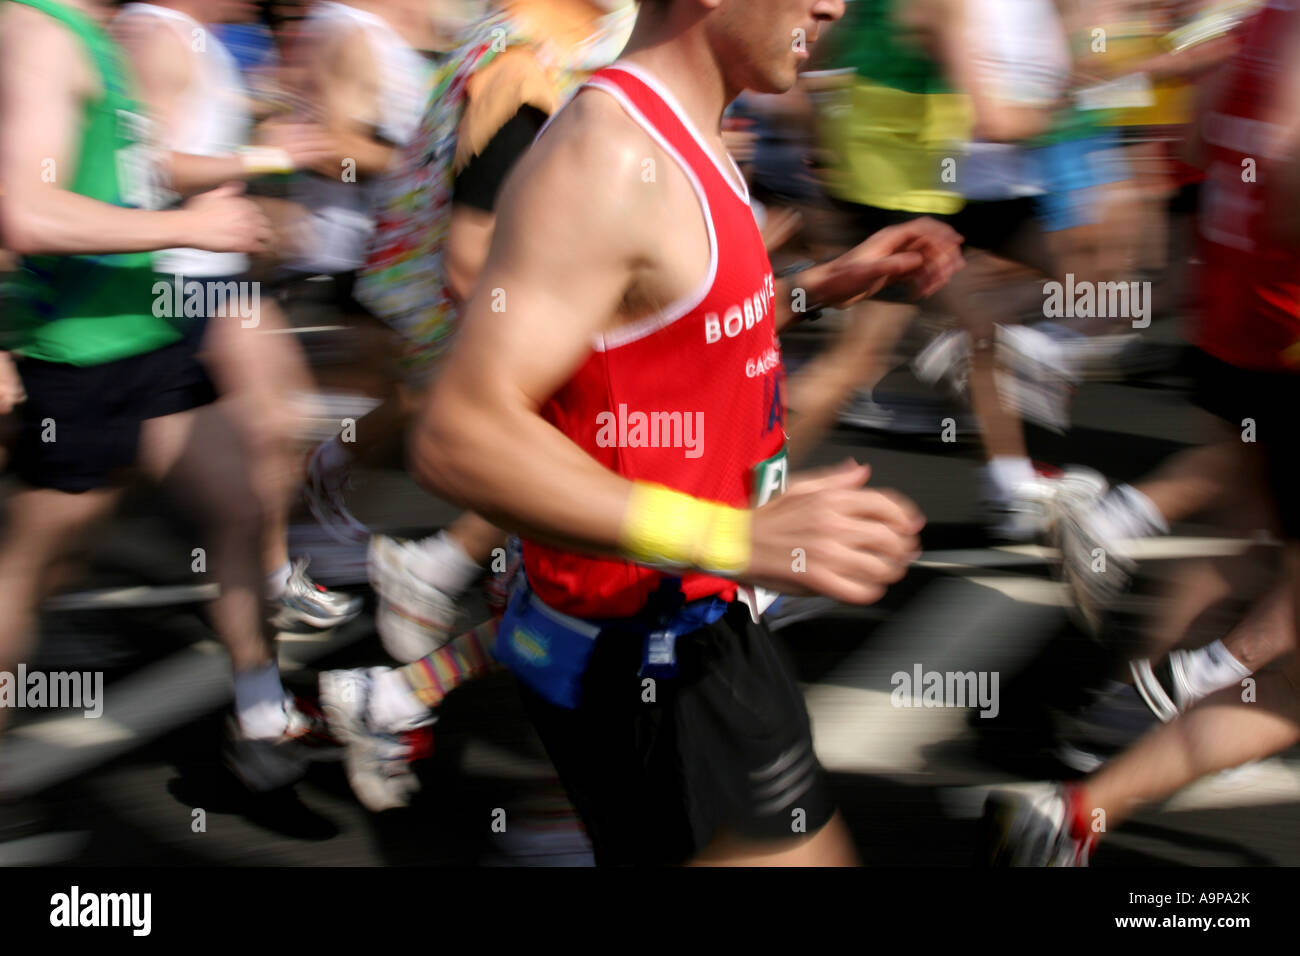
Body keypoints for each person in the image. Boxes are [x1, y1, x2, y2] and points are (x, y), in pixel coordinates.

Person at [322, 0, 967, 865]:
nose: (835, 5)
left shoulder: (694, 133)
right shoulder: (612, 152)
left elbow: (676, 328)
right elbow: (458, 434)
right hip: (648, 652)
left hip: (691, 624)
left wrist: (823, 286)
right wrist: (728, 534)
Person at [0, 0, 327, 799]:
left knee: (244, 497)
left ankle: (257, 704)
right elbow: (25, 212)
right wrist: (185, 229)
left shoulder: (100, 36)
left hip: (147, 334)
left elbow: (138, 170)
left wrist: (253, 165)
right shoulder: (40, 35)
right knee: (37, 564)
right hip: (73, 356)